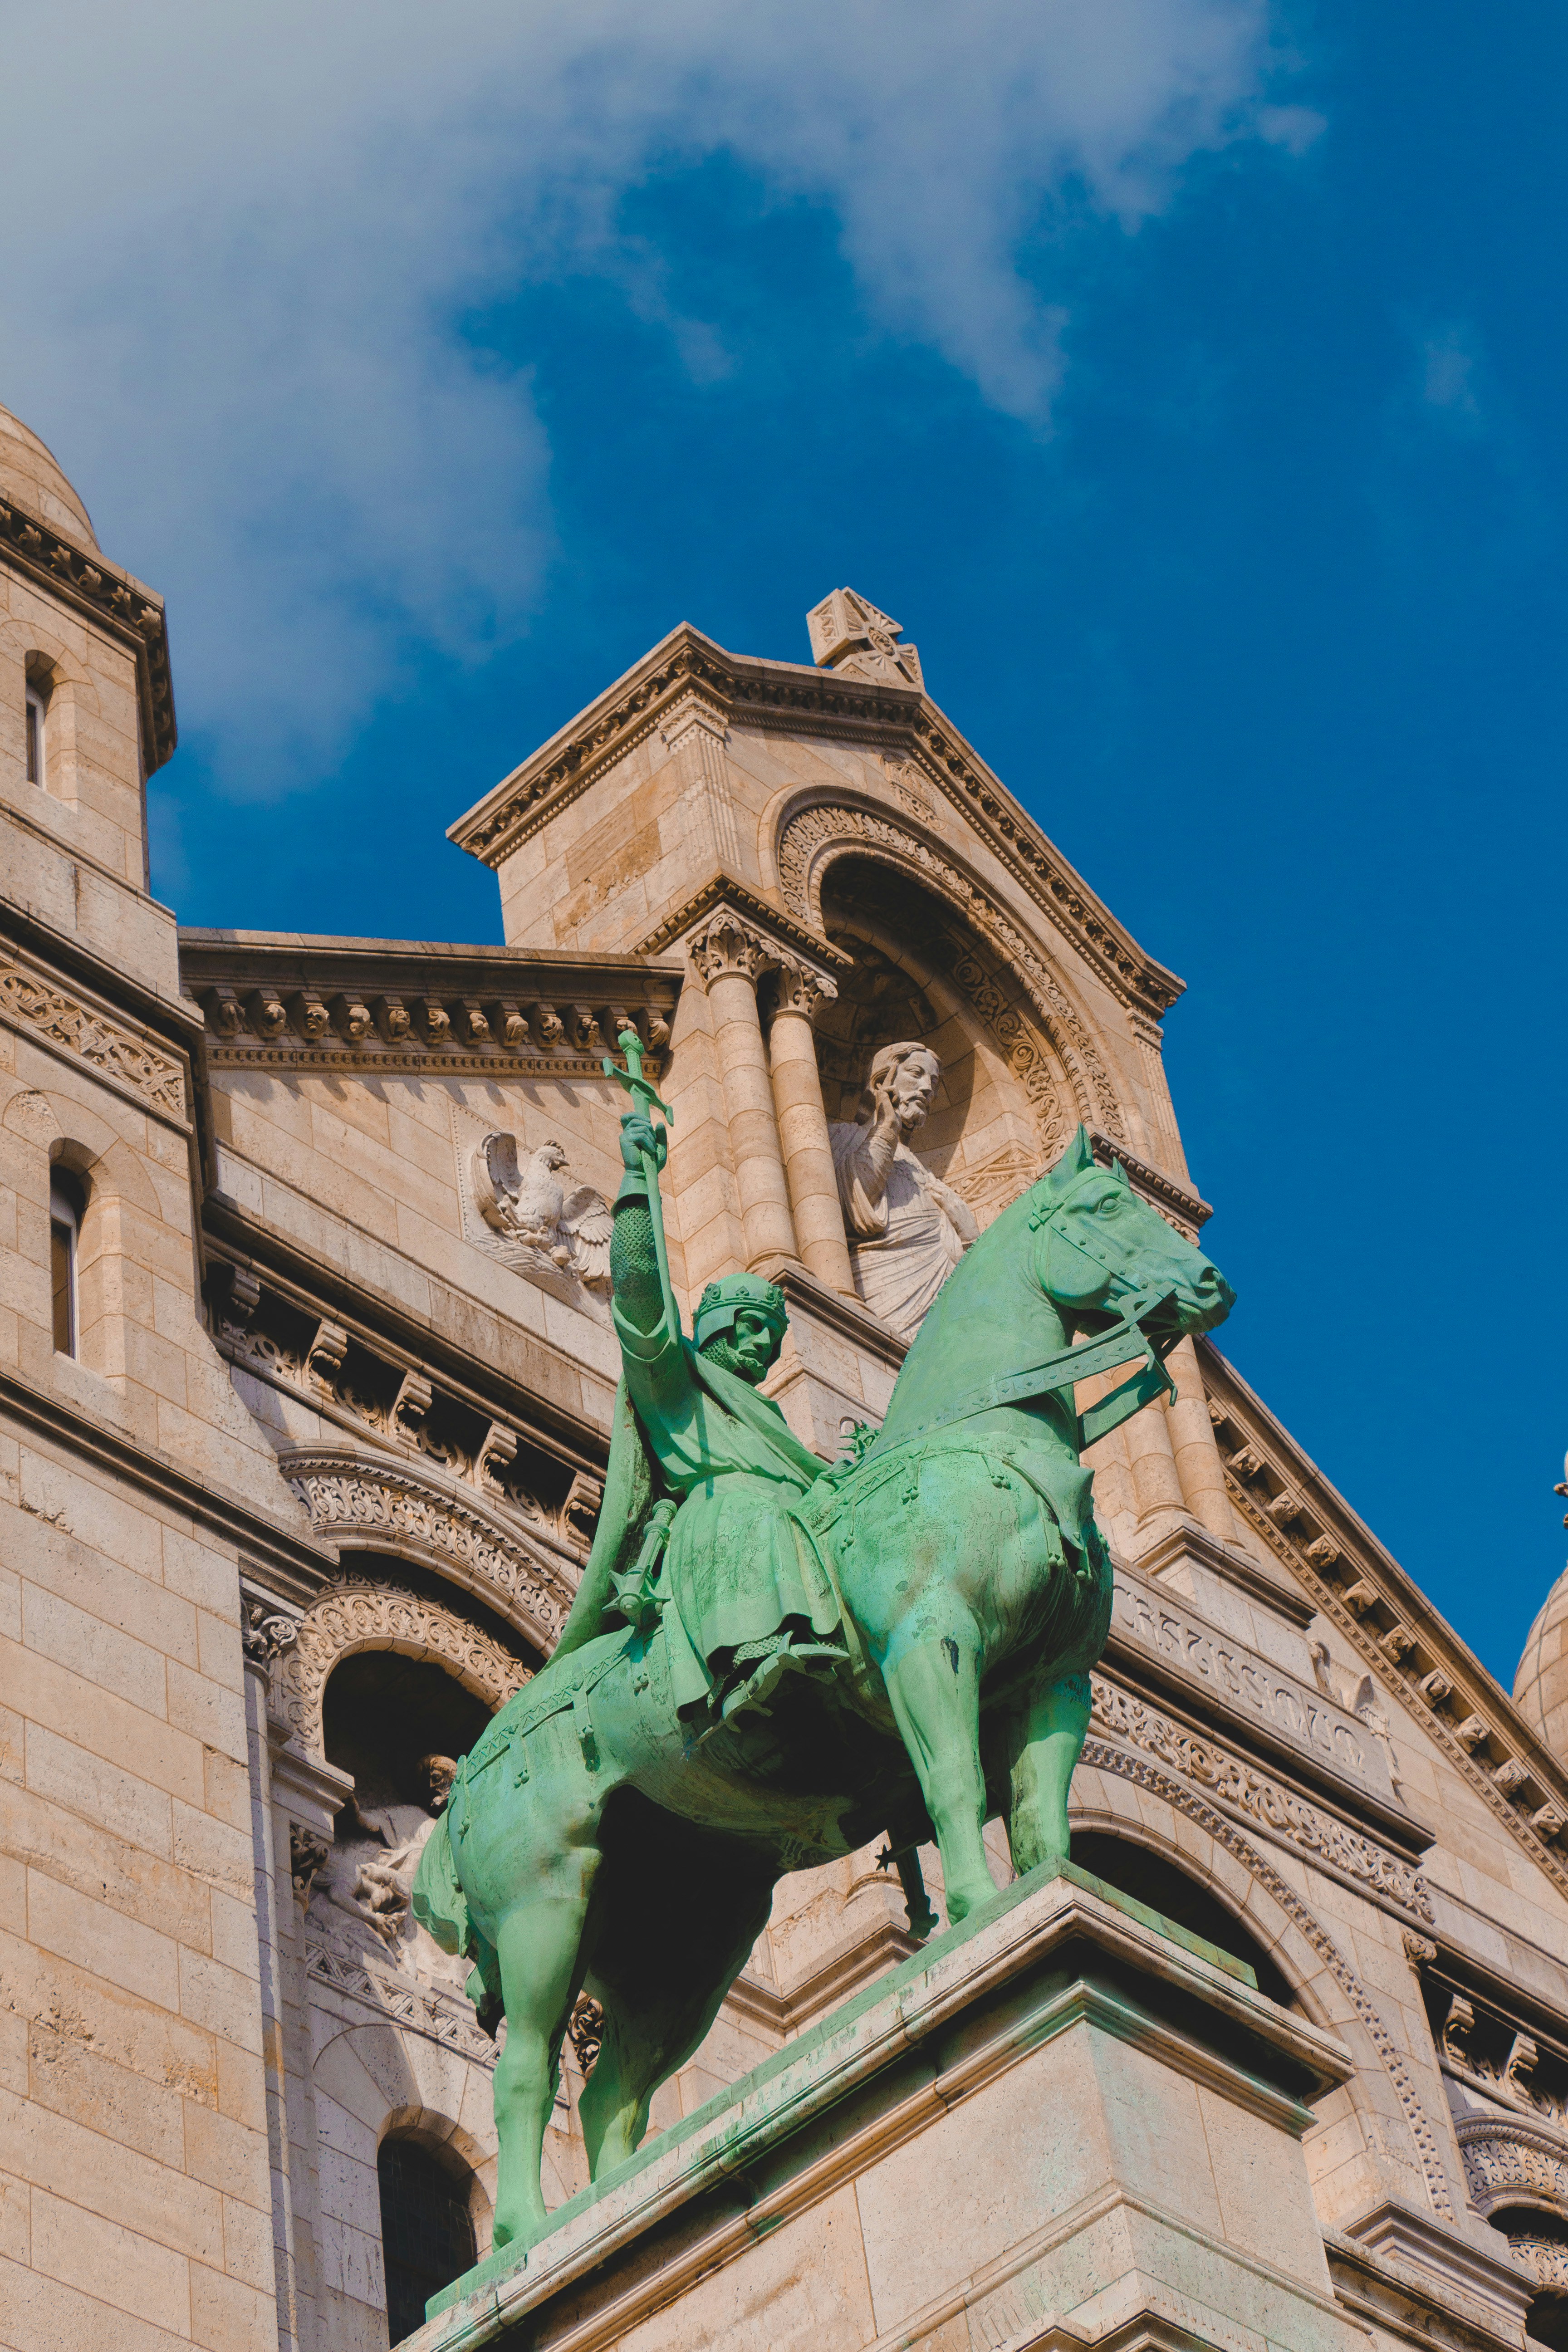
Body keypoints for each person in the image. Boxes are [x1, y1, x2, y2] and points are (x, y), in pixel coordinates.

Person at [551, 1110, 841, 1717]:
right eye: (754, 1328)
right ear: (717, 1326)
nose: (765, 1346)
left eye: (774, 1337)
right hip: (724, 1524)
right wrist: (637, 1181)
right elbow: (639, 1296)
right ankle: (746, 1656)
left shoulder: (771, 1419)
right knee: (746, 1507)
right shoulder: (678, 1380)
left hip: (790, 1525)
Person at [830, 1041, 978, 1339]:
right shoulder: (841, 1136)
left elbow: (976, 1281)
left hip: (943, 1314)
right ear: (881, 1080)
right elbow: (856, 1211)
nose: (928, 1090)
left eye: (934, 1083)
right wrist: (887, 1126)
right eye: (916, 1074)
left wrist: (970, 1236)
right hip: (882, 1302)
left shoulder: (925, 1173)